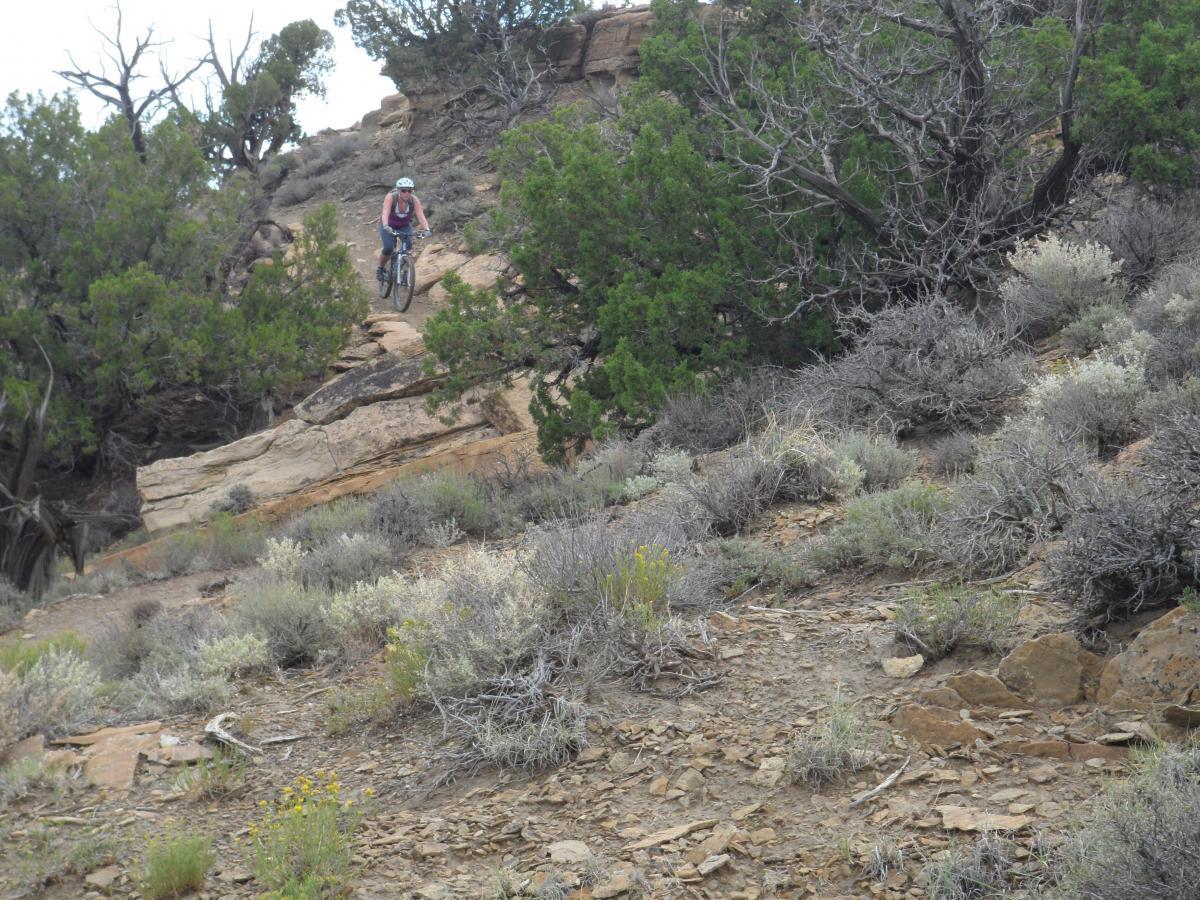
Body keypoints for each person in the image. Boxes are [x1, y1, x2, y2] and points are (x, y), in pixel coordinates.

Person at [378, 177, 431, 282]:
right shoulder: (391, 197)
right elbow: (385, 212)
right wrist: (386, 226)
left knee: (408, 246)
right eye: (404, 190)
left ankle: (403, 269)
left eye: (409, 190)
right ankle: (380, 269)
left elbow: (420, 215)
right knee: (388, 248)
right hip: (388, 225)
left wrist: (427, 229)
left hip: (404, 226)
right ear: (398, 190)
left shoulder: (414, 200)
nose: (407, 193)